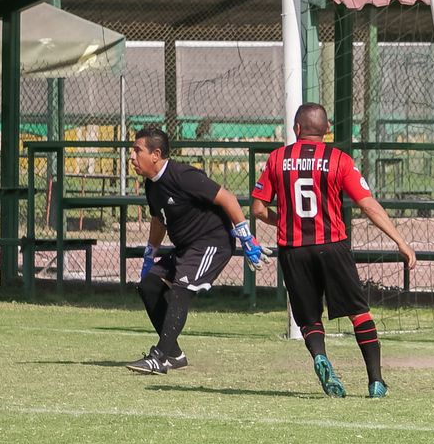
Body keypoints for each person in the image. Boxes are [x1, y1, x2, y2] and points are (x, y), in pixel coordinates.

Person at [251, 103, 417, 399]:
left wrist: (286, 219)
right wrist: (399, 240)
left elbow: (258, 210)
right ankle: (376, 381)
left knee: (309, 318)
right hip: (332, 246)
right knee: (358, 312)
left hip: (293, 250)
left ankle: (319, 357)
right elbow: (367, 204)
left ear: (297, 129)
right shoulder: (339, 159)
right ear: (327, 130)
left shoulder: (277, 159)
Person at [125, 125, 264, 375]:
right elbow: (159, 220)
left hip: (213, 242)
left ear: (155, 155)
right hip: (187, 247)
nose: (131, 156)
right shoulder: (151, 184)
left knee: (181, 288)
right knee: (149, 287)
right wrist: (149, 255)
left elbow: (229, 199)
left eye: (136, 150)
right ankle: (175, 354)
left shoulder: (183, 175)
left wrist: (247, 239)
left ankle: (159, 357)